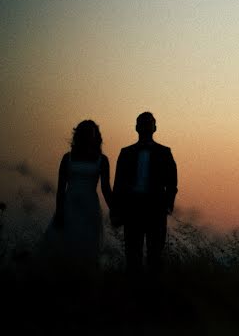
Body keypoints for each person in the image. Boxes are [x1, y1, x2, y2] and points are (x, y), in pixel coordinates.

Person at [112, 112, 178, 277]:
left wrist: (168, 205)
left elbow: (172, 182)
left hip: (155, 210)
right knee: (132, 256)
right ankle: (134, 294)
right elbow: (118, 185)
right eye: (143, 123)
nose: (146, 126)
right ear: (136, 127)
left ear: (155, 127)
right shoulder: (126, 153)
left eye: (149, 123)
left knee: (155, 256)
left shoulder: (164, 152)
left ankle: (152, 294)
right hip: (132, 209)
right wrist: (117, 211)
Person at [43, 119, 113, 271]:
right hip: (69, 207)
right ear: (78, 135)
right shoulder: (67, 158)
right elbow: (61, 188)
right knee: (65, 247)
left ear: (96, 136)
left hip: (90, 209)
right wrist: (59, 211)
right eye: (84, 133)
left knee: (86, 247)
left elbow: (106, 189)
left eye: (91, 133)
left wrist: (116, 210)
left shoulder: (102, 160)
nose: (88, 136)